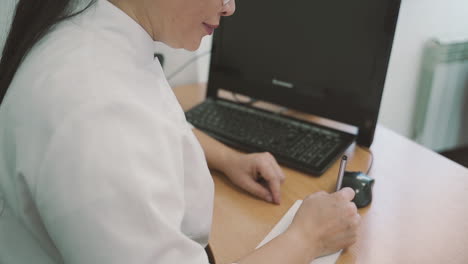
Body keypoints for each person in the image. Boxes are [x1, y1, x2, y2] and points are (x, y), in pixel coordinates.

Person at [0, 0, 360, 263]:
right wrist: (307, 238)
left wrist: (228, 157)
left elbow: (149, 115)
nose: (230, 7)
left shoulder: (89, 25)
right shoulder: (96, 111)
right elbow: (119, 125)